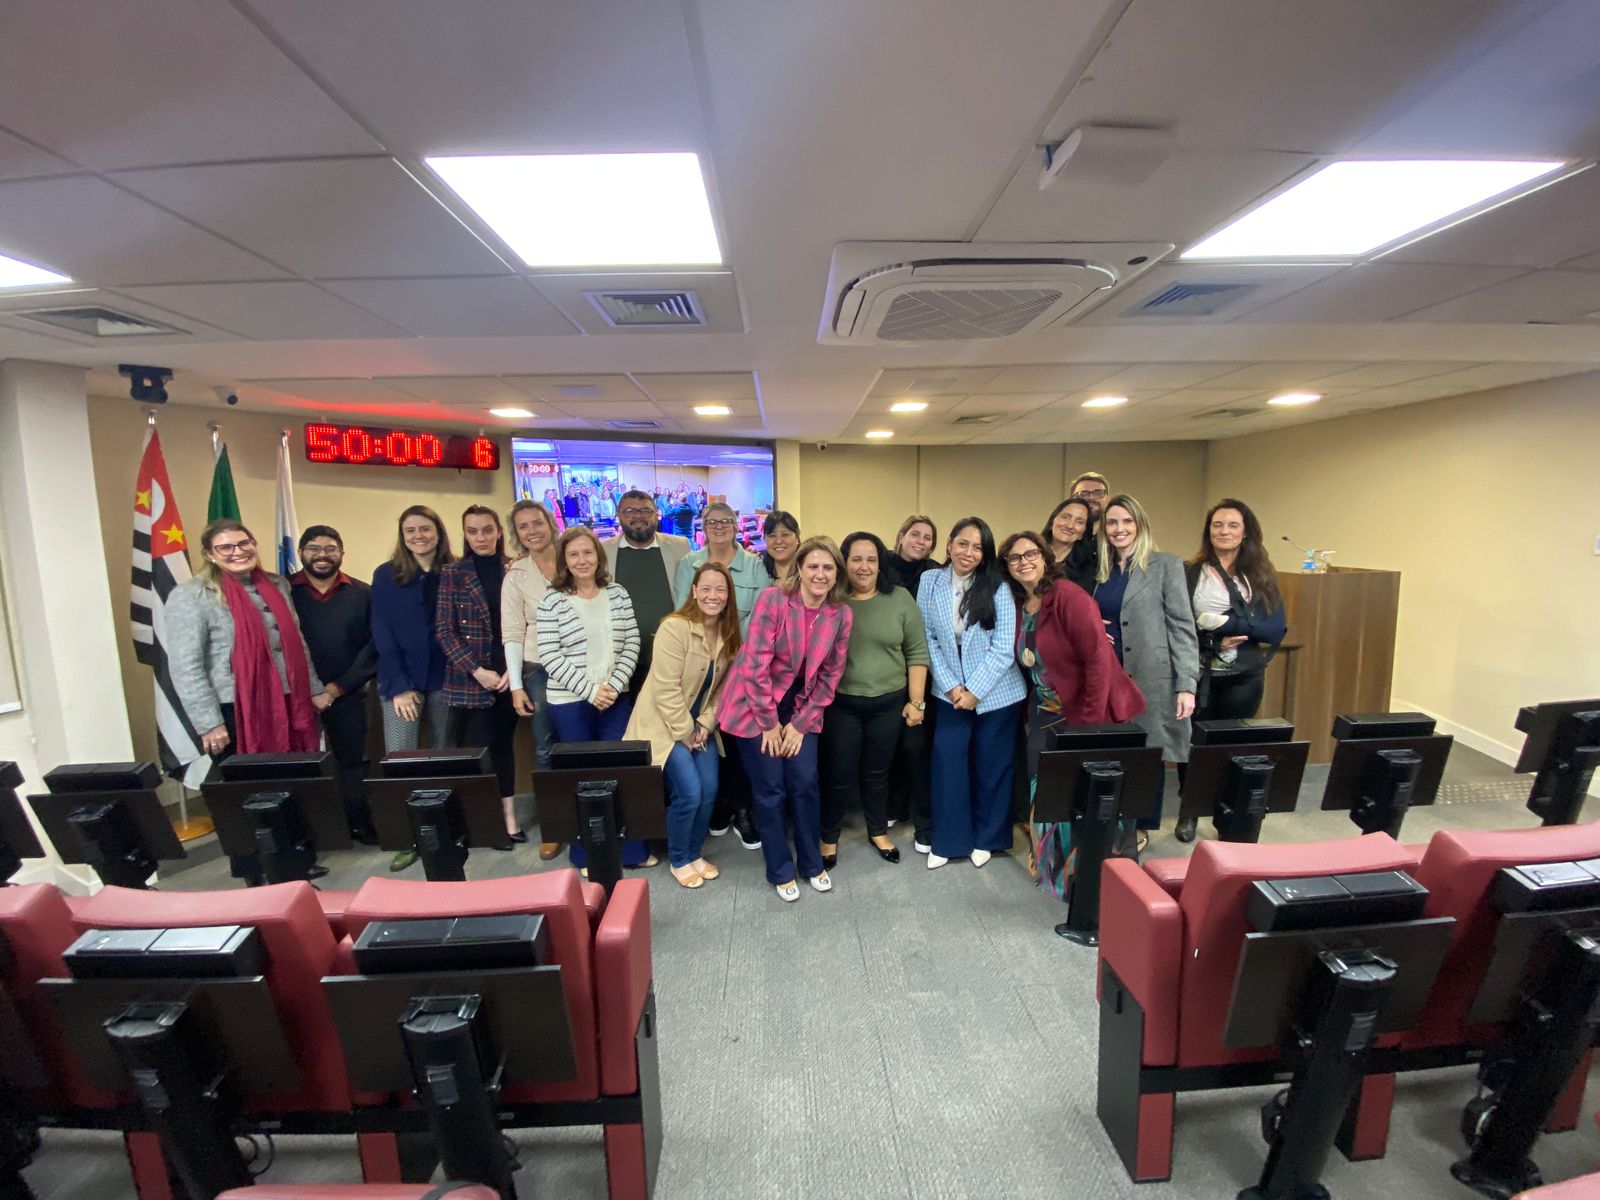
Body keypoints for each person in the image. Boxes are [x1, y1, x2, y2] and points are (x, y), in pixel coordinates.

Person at [167, 519, 327, 881]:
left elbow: (296, 642)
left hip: (289, 701)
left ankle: (291, 861)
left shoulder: (276, 584)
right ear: (209, 554)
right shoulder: (191, 596)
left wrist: (314, 687)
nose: (238, 552)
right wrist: (209, 722)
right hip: (234, 708)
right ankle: (256, 871)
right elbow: (186, 665)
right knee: (247, 793)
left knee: (288, 784)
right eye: (226, 547)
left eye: (244, 543)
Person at [1000, 531, 1144, 901]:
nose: (1023, 562)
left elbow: (1097, 662)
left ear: (1045, 557)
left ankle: (1109, 883)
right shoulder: (1018, 603)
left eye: (1030, 554)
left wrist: (1089, 726)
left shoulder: (1067, 596)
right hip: (1045, 712)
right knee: (1047, 792)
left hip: (1090, 712)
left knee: (1099, 798)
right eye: (1014, 558)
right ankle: (1061, 872)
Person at [717, 537, 851, 902]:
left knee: (806, 782)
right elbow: (754, 665)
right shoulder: (773, 600)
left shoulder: (840, 613)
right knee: (771, 789)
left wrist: (799, 724)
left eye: (828, 567)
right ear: (800, 569)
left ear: (836, 573)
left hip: (801, 708)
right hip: (754, 706)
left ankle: (811, 863)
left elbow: (830, 676)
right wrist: (769, 724)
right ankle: (779, 868)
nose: (820, 574)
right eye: (813, 566)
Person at [537, 525, 651, 869]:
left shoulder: (617, 593)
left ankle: (632, 851)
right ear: (564, 560)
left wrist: (613, 686)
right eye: (574, 554)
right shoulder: (552, 600)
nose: (582, 560)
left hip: (615, 696)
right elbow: (549, 655)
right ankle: (586, 854)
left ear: (598, 556)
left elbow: (633, 641)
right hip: (570, 702)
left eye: (588, 552)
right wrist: (590, 691)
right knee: (582, 779)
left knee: (622, 774)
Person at [917, 517, 1027, 870]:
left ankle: (988, 837)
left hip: (997, 692)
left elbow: (1003, 648)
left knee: (990, 764)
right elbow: (926, 638)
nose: (968, 552)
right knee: (948, 761)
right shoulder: (929, 580)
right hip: (948, 690)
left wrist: (975, 691)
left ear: (985, 554)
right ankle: (949, 840)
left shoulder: (998, 585)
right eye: (962, 543)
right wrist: (951, 686)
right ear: (948, 545)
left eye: (978, 547)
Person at [1177, 499, 1287, 842]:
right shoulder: (1190, 571)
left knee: (1232, 746)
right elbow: (1178, 624)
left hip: (1243, 677)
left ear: (1245, 532)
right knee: (1192, 745)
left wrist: (1225, 624)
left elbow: (1272, 629)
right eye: (1217, 525)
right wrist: (1211, 636)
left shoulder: (1261, 574)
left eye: (1232, 525)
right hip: (1199, 673)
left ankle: (1228, 811)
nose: (1224, 531)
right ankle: (1190, 811)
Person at [624, 561, 740, 888]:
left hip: (699, 727)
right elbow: (665, 688)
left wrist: (704, 725)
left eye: (720, 589)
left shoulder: (730, 634)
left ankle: (693, 852)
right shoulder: (675, 627)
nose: (713, 595)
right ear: (693, 591)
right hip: (663, 725)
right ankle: (678, 858)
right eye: (706, 588)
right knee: (689, 792)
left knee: (710, 790)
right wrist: (687, 732)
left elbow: (723, 691)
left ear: (729, 594)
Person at [1094, 494, 1200, 850]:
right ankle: (1116, 819)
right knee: (1117, 752)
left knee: (1150, 752)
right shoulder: (1101, 569)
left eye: (1126, 521)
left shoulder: (1165, 565)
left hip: (1152, 675)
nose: (1119, 529)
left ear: (1139, 524)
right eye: (1112, 522)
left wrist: (1187, 684)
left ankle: (1141, 826)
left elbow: (1183, 626)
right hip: (1110, 676)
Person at [821, 532, 929, 868]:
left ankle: (878, 830)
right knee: (838, 773)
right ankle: (828, 836)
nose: (864, 566)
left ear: (881, 563)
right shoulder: (831, 600)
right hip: (842, 704)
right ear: (844, 562)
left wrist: (917, 702)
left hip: (889, 703)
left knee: (877, 772)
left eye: (871, 559)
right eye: (856, 558)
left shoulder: (899, 599)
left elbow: (917, 652)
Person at [370, 505, 455, 870]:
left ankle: (442, 830)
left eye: (425, 529)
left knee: (443, 757)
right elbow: (382, 633)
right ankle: (409, 838)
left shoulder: (454, 571)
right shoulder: (386, 575)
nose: (418, 536)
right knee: (402, 760)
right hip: (399, 681)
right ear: (402, 536)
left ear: (438, 531)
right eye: (410, 531)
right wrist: (401, 688)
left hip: (446, 679)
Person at [436, 505, 523, 845]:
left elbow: (525, 621)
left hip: (510, 676)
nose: (480, 537)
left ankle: (510, 818)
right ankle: (484, 823)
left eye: (487, 530)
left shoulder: (514, 568)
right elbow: (444, 630)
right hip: (472, 678)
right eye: (472, 531)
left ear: (499, 531)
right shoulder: (453, 572)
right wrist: (478, 671)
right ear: (465, 534)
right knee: (480, 750)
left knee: (504, 747)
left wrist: (509, 671)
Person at [289, 525, 378, 844]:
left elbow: (373, 647)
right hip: (295, 697)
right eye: (313, 548)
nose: (322, 555)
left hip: (347, 693)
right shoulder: (283, 593)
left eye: (330, 548)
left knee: (353, 762)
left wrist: (336, 689)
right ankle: (308, 831)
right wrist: (310, 690)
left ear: (342, 553)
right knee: (299, 764)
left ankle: (359, 825)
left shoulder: (363, 592)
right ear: (300, 553)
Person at [502, 498, 566, 861]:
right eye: (523, 526)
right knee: (546, 746)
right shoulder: (516, 576)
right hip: (538, 667)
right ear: (516, 533)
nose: (531, 531)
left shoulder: (574, 557)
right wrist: (515, 685)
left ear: (550, 523)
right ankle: (554, 827)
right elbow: (512, 632)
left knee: (583, 744)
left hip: (584, 664)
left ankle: (592, 815)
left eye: (537, 523)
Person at [601, 489, 692, 697]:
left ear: (656, 514)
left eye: (645, 511)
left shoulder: (680, 546)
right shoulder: (603, 552)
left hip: (669, 654)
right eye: (630, 511)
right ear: (619, 514)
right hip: (621, 659)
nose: (638, 516)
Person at [673, 502, 767, 636]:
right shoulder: (688, 563)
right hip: (698, 647)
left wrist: (730, 642)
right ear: (704, 528)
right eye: (712, 522)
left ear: (735, 527)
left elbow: (760, 615)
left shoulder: (755, 565)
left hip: (742, 648)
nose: (719, 526)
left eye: (726, 521)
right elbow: (682, 612)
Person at [1044, 497, 1097, 593]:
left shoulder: (1089, 567)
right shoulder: (1030, 555)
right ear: (1052, 522)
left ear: (1083, 534)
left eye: (1079, 522)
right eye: (1065, 517)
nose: (1070, 526)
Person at [884, 514, 941, 597]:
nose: (921, 541)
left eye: (927, 538)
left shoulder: (936, 573)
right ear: (901, 538)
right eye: (915, 534)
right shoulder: (881, 562)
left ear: (932, 545)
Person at [759, 510, 801, 583]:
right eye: (772, 536)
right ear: (764, 539)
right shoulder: (757, 572)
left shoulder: (809, 573)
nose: (779, 541)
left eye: (785, 535)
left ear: (797, 538)